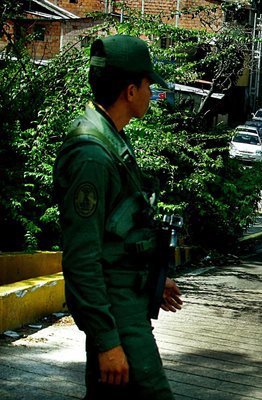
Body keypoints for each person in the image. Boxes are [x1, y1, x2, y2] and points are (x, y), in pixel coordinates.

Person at [53, 35, 183, 400]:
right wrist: (108, 342)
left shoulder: (111, 140)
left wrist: (153, 284)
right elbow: (82, 258)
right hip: (117, 316)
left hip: (126, 305)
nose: (151, 94)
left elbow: (118, 239)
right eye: (147, 85)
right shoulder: (91, 156)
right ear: (130, 90)